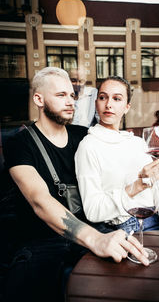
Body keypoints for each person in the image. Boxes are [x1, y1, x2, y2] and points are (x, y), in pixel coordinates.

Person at [1, 68, 149, 302]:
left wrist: (155, 193)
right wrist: (95, 239)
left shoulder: (83, 135)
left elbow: (118, 165)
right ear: (39, 99)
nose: (71, 102)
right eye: (61, 95)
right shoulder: (19, 143)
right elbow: (40, 201)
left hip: (93, 230)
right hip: (42, 241)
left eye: (72, 95)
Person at [75, 76, 159, 240]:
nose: (109, 104)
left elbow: (158, 185)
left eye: (117, 98)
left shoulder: (136, 142)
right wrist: (138, 185)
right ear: (96, 103)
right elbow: (93, 210)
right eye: (103, 97)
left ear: (127, 107)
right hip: (130, 225)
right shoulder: (88, 146)